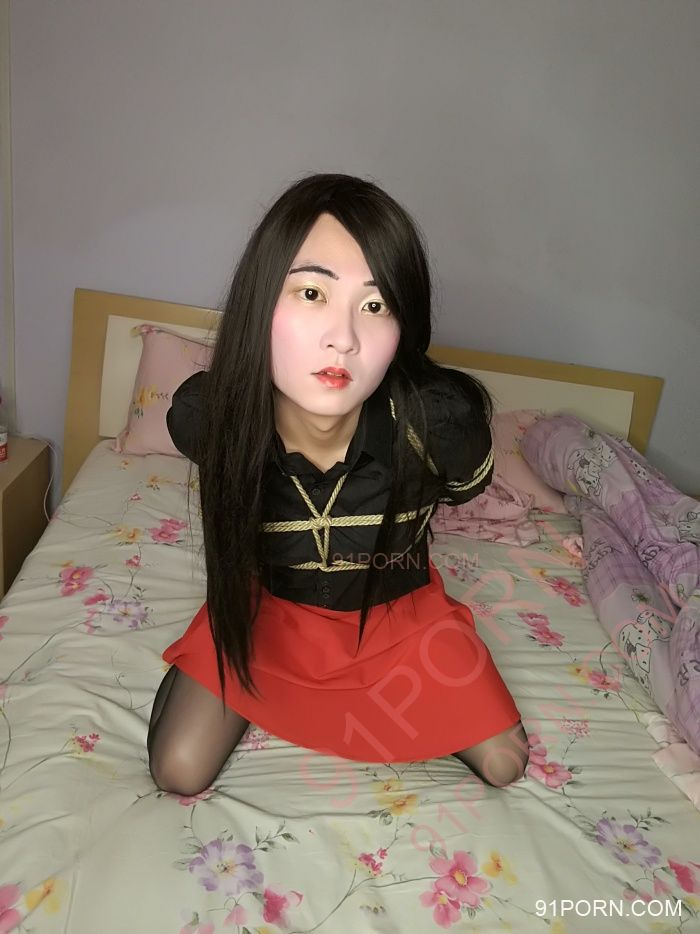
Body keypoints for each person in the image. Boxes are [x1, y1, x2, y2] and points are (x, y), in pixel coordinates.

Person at [147, 173, 529, 797]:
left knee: (505, 763)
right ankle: (219, 671)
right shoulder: (212, 417)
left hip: (399, 621)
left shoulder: (437, 425)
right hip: (268, 615)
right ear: (260, 303)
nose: (344, 339)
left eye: (375, 306)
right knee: (179, 770)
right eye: (311, 293)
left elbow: (463, 488)